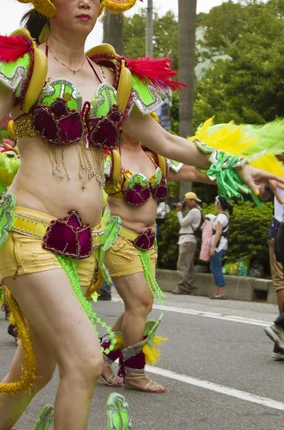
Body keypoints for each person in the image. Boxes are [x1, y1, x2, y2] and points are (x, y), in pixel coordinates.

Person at [0, 0, 284, 430]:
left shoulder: (114, 80)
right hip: (30, 233)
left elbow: (168, 144)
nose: (88, 0)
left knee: (37, 370)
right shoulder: (28, 66)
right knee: (88, 361)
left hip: (86, 247)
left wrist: (236, 164)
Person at [99, 130, 212, 393]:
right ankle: (134, 373)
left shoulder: (155, 156)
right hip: (118, 238)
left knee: (138, 306)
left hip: (148, 243)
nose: (147, 122)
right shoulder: (106, 155)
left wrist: (234, 172)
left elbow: (194, 173)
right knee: (140, 302)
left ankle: (102, 358)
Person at [265, 156, 284, 358]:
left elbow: (263, 194)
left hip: (280, 231)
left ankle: (282, 341)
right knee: (283, 285)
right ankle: (281, 328)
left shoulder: (279, 170)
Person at [171, 192, 203, 295]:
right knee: (189, 266)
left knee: (183, 264)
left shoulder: (194, 211)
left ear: (193, 201)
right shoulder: (195, 211)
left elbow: (183, 223)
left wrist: (180, 212)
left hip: (187, 240)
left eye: (187, 201)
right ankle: (191, 287)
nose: (185, 203)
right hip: (189, 239)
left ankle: (182, 287)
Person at [209, 195, 231, 299]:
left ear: (218, 204)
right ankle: (218, 292)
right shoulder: (222, 216)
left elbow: (218, 232)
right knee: (214, 267)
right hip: (219, 244)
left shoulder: (221, 217)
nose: (214, 204)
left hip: (218, 245)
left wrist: (213, 247)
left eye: (215, 202)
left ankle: (221, 292)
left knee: (216, 267)